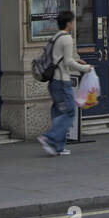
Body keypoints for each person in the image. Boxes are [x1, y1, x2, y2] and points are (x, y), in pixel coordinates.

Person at [37, 10, 93, 156]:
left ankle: (58, 147)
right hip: (62, 81)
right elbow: (67, 62)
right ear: (69, 23)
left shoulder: (56, 36)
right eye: (73, 21)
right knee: (70, 112)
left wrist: (76, 60)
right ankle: (49, 138)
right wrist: (85, 68)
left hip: (53, 82)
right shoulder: (67, 38)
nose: (73, 24)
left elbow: (60, 57)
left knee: (58, 111)